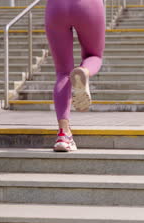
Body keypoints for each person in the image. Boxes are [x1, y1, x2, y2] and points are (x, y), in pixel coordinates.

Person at [44, 0, 105, 152]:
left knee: (63, 73)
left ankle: (63, 135)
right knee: (94, 55)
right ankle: (84, 71)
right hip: (88, 5)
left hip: (56, 7)